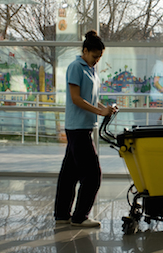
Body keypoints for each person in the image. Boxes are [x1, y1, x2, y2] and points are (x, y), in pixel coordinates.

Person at [54, 30, 116, 227]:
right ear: (85, 50)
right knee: (93, 175)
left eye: (99, 57)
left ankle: (62, 215)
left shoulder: (91, 69)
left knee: (69, 175)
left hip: (83, 127)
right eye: (95, 56)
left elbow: (92, 100)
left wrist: (105, 109)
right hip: (77, 128)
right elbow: (76, 99)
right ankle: (80, 217)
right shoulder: (75, 67)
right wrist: (100, 113)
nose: (97, 60)